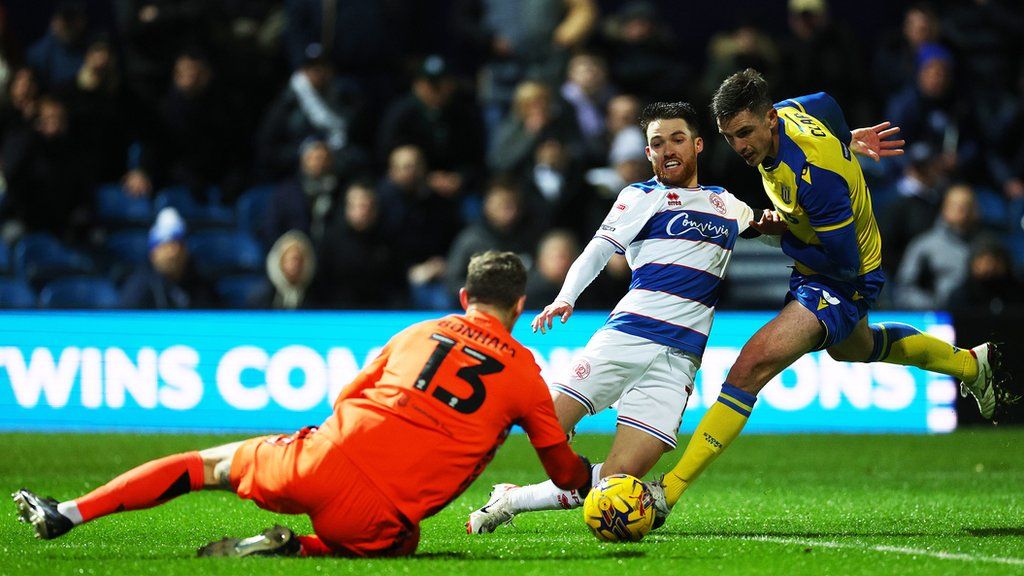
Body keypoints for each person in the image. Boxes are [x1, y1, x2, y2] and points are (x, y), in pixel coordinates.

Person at [14, 251, 592, 558]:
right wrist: (590, 480)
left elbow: (347, 396)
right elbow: (559, 468)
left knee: (202, 466)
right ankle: (301, 548)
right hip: (377, 514)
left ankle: (70, 511)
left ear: (464, 297)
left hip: (320, 458)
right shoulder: (524, 375)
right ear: (519, 305)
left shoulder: (417, 332)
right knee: (401, 542)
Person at [655, 69, 1014, 521]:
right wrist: (848, 135)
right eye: (729, 137)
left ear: (768, 120)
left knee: (749, 367)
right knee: (856, 349)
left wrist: (773, 234)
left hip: (844, 278)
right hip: (824, 264)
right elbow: (825, 99)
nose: (740, 146)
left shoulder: (813, 177)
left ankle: (667, 491)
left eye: (745, 132)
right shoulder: (790, 112)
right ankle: (970, 364)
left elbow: (840, 263)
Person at [467, 101, 786, 534]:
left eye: (676, 139)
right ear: (649, 153)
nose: (667, 149)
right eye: (656, 143)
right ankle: (532, 489)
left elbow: (771, 236)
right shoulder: (640, 197)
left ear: (697, 145)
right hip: (628, 335)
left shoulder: (727, 204)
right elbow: (599, 249)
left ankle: (512, 499)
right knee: (551, 429)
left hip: (679, 359)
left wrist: (778, 224)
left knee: (620, 482)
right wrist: (566, 297)